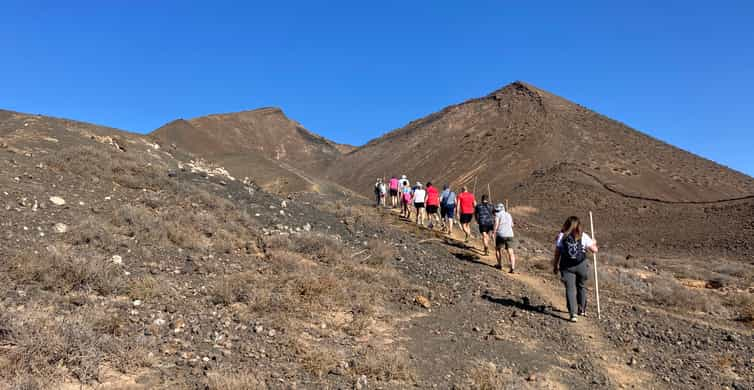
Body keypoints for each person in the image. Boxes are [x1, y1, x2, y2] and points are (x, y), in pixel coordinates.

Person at [552, 216, 599, 323]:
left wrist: (555, 266)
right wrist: (594, 242)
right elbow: (594, 250)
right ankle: (581, 309)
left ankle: (573, 314)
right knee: (581, 286)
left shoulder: (561, 236)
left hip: (567, 266)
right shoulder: (583, 236)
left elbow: (557, 253)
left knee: (570, 289)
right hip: (581, 265)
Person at [493, 203, 516, 273]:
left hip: (501, 234)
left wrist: (494, 232)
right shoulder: (509, 214)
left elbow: (496, 224)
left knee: (498, 249)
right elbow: (512, 225)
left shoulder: (498, 215)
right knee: (511, 252)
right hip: (510, 234)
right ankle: (512, 267)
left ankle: (499, 265)